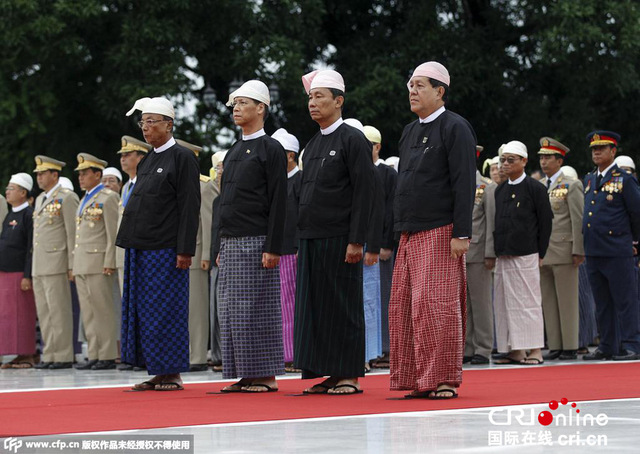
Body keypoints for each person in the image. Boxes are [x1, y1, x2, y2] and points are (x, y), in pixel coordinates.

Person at [389, 61, 475, 399]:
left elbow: (464, 183)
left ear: (440, 92)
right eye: (410, 85)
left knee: (436, 305)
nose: (412, 90)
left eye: (420, 85)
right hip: (409, 232)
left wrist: (462, 233)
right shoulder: (410, 131)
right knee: (405, 307)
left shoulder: (456, 128)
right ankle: (415, 379)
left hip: (441, 229)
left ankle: (442, 379)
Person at [294, 69, 375, 395]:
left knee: (342, 306)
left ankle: (349, 374)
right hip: (311, 237)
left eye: (320, 97)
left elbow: (364, 193)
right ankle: (328, 371)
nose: (313, 104)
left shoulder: (353, 140)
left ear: (338, 101)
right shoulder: (313, 143)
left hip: (340, 238)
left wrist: (357, 239)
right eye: (311, 97)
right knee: (316, 307)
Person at [118, 96, 200, 390]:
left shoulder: (183, 157)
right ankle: (156, 369)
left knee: (167, 309)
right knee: (144, 311)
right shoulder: (149, 159)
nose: (146, 128)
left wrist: (185, 249)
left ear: (169, 124)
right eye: (143, 122)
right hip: (140, 246)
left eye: (152, 121)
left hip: (166, 248)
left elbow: (189, 207)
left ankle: (172, 371)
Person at [215, 80, 287, 393]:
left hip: (256, 241)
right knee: (230, 310)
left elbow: (278, 201)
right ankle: (244, 373)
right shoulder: (232, 151)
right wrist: (220, 244)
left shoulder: (271, 149)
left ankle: (265, 375)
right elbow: (225, 202)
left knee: (256, 310)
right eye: (235, 104)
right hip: (230, 241)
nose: (236, 109)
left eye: (243, 103)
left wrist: (273, 246)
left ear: (261, 108)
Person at [493, 141, 553, 365]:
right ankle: (514, 350)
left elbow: (545, 223)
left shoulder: (535, 188)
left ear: (524, 161)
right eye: (503, 160)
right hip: (503, 253)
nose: (505, 164)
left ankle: (535, 349)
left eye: (511, 160)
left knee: (528, 302)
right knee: (504, 303)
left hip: (526, 253)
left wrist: (541, 252)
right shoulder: (500, 190)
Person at [582, 131, 640, 361]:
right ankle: (607, 345)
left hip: (617, 248)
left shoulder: (624, 179)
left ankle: (632, 344)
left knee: (625, 300)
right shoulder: (589, 179)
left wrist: (634, 241)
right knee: (602, 302)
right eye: (594, 149)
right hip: (594, 249)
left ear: (613, 151)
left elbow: (636, 213)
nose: (597, 152)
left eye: (602, 148)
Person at [537, 137, 584, 361]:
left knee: (567, 300)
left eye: (548, 157)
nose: (544, 162)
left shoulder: (571, 184)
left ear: (559, 160)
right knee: (548, 300)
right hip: (544, 251)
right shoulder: (540, 186)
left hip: (565, 249)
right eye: (541, 157)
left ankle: (570, 345)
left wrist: (578, 248)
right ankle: (555, 344)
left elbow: (578, 219)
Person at [72, 154, 120, 370]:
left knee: (103, 310)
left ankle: (107, 353)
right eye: (79, 174)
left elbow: (112, 233)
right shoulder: (84, 199)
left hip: (99, 260)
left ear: (97, 175)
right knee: (89, 312)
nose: (81, 177)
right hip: (83, 261)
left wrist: (109, 259)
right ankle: (93, 352)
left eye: (85, 173)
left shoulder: (108, 198)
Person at [31, 156, 79, 369]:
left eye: (43, 173)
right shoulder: (41, 198)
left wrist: (71, 264)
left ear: (54, 175)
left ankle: (63, 355)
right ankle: (49, 354)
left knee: (59, 310)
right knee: (45, 312)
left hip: (57, 261)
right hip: (40, 262)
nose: (39, 177)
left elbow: (72, 233)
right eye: (38, 174)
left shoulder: (66, 197)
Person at [175, 139, 217, 372]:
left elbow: (208, 221)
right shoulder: (174, 182)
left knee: (196, 308)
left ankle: (198, 355)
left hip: (196, 251)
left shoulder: (204, 185)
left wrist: (206, 254)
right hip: (174, 253)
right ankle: (183, 354)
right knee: (179, 309)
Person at [114, 135, 150, 371]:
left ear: (141, 157)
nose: (123, 159)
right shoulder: (127, 186)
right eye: (122, 156)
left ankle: (147, 355)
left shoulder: (146, 181)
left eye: (128, 155)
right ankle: (133, 354)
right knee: (129, 308)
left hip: (144, 250)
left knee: (145, 305)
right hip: (125, 252)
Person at [364, 125, 397, 369]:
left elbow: (390, 211)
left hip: (381, 244)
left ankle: (387, 348)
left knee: (384, 297)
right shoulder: (358, 170)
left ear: (377, 147)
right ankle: (371, 349)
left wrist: (386, 243)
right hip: (361, 243)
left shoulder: (387, 173)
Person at [271, 128, 301, 372]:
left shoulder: (300, 180)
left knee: (290, 303)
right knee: (277, 304)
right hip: (276, 250)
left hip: (293, 249)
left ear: (290, 155)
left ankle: (291, 355)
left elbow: (305, 215)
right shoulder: (275, 182)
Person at [464, 145, 497, 365]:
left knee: (481, 303)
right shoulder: (453, 184)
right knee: (463, 304)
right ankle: (466, 346)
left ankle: (483, 348)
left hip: (478, 252)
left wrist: (490, 253)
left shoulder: (487, 187)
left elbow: (491, 223)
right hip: (457, 253)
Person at [0, 173, 37, 368]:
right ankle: (16, 354)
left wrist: (27, 275)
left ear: (23, 193)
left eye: (12, 188)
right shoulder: (10, 213)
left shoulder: (28, 214)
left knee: (23, 315)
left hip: (19, 274)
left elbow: (31, 247)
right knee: (8, 316)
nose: (7, 191)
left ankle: (28, 354)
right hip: (5, 273)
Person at [209, 150, 227, 372]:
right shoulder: (217, 200)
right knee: (216, 311)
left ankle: (227, 355)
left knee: (227, 310)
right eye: (219, 168)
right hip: (217, 258)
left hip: (232, 256)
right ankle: (218, 355)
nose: (220, 173)